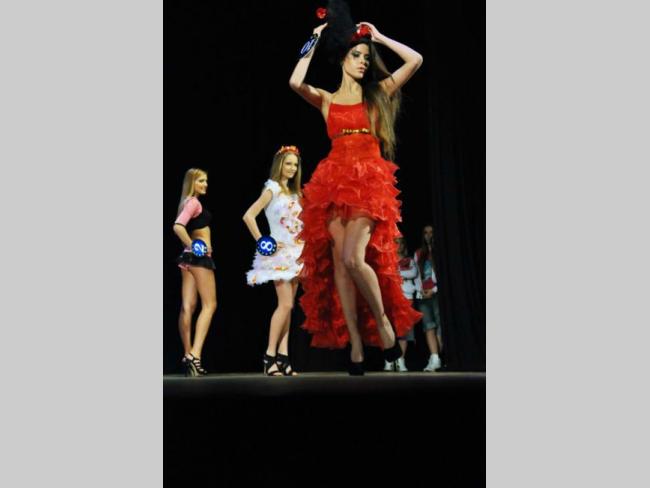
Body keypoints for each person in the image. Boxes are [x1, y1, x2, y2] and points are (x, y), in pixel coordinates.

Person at [289, 0, 423, 375]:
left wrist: (379, 37)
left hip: (368, 181)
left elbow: (415, 60)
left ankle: (383, 324)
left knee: (352, 257)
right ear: (343, 59)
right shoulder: (328, 99)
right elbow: (295, 82)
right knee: (340, 267)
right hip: (332, 181)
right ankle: (357, 347)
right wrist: (313, 41)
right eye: (357, 55)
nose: (364, 61)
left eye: (367, 57)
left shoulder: (378, 91)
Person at [243, 146, 304, 376]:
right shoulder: (273, 188)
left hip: (297, 252)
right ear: (280, 164)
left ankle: (283, 357)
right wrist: (263, 241)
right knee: (285, 304)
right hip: (279, 254)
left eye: (295, 164)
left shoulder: (295, 193)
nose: (292, 168)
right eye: (288, 163)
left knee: (290, 307)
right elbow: (249, 215)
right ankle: (269, 356)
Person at [172, 168, 218, 376]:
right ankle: (195, 355)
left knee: (188, 306)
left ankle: (187, 355)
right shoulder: (194, 203)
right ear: (192, 182)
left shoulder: (186, 202)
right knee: (210, 304)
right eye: (201, 181)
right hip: (198, 258)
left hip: (187, 258)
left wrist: (189, 247)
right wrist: (194, 246)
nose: (205, 184)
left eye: (206, 181)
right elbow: (178, 226)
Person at [384, 236, 417, 372]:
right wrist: (399, 273)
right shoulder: (387, 259)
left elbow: (413, 273)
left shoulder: (409, 260)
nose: (399, 245)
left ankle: (401, 360)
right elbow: (386, 274)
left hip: (406, 297)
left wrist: (397, 273)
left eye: (401, 243)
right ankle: (389, 360)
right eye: (396, 243)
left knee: (405, 331)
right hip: (391, 298)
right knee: (389, 330)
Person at [415, 225, 443, 372]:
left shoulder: (439, 251)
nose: (428, 235)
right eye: (425, 232)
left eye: (431, 232)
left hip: (436, 293)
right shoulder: (419, 253)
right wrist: (421, 291)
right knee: (428, 326)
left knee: (440, 325)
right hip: (424, 294)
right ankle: (434, 357)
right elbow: (417, 275)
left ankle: (443, 356)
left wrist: (434, 290)